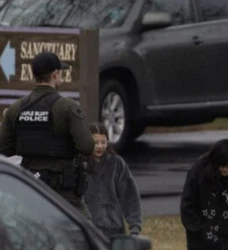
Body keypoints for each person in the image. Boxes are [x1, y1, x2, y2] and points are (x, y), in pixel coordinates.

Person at [0, 52, 94, 215]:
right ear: (55, 74)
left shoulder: (16, 108)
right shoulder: (67, 107)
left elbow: (4, 148)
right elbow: (87, 146)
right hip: (63, 191)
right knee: (85, 234)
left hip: (30, 185)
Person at [83, 123, 142, 240]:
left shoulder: (117, 164)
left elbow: (130, 196)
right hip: (88, 230)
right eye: (96, 142)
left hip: (114, 230)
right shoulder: (80, 164)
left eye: (103, 142)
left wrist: (134, 226)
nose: (100, 146)